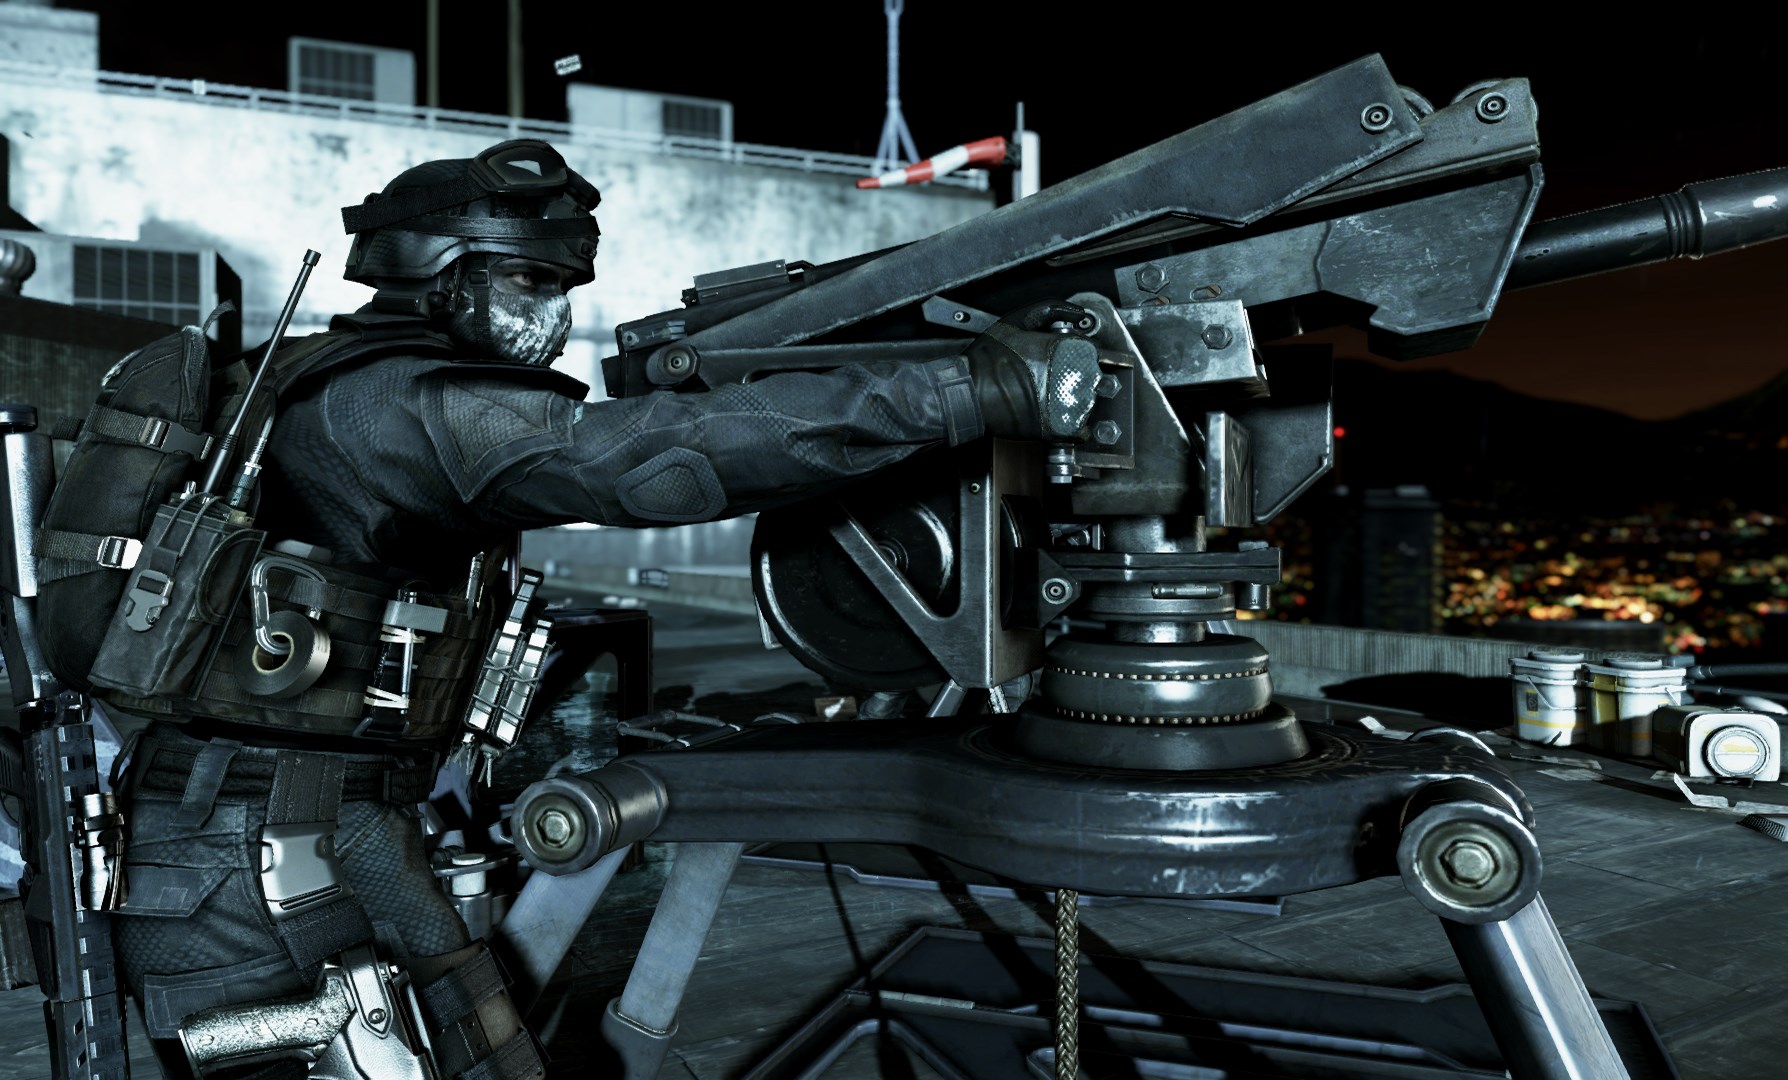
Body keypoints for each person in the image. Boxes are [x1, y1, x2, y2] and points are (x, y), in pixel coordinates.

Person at [104, 138, 1079, 1078]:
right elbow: (640, 459)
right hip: (246, 851)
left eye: (563, 286)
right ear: (439, 275)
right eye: (530, 281)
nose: (556, 313)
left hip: (326, 824)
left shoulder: (332, 384)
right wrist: (962, 393)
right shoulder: (390, 403)